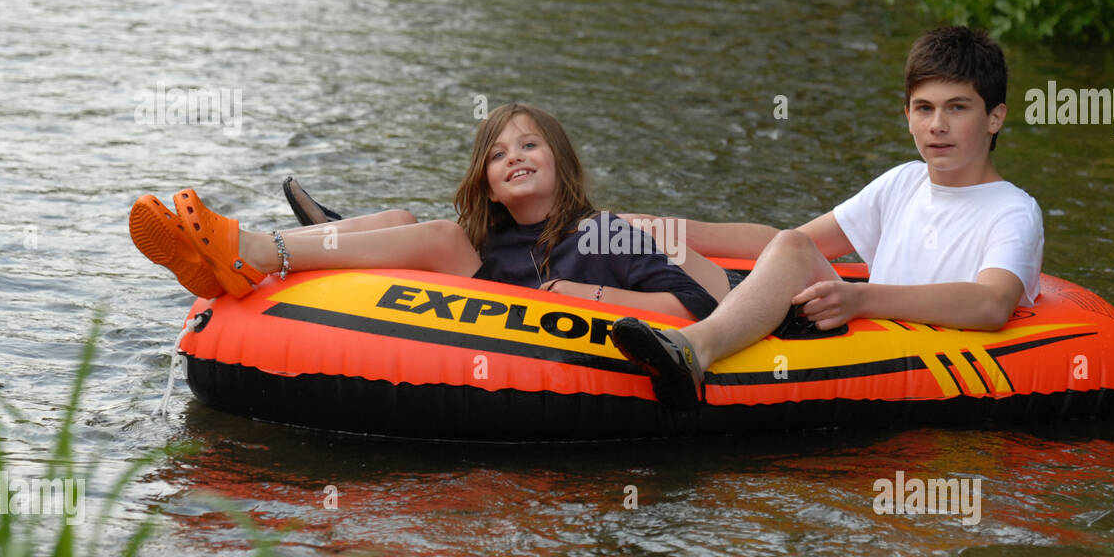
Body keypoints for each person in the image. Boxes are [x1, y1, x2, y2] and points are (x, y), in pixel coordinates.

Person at [610, 26, 1045, 407]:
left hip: (917, 364)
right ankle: (674, 331)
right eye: (924, 108)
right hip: (867, 339)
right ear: (907, 115)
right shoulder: (904, 181)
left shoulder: (1012, 210)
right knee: (784, 248)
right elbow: (788, 243)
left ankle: (693, 351)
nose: (937, 125)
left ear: (994, 117)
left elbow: (992, 304)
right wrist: (662, 227)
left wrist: (861, 298)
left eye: (957, 108)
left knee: (795, 252)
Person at [129, 103, 731, 319]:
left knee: (437, 237)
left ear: (562, 164)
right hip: (485, 294)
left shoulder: (604, 234)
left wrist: (593, 297)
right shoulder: (488, 231)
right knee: (397, 220)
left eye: (528, 145)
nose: (513, 158)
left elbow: (697, 301)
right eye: (496, 155)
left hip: (535, 314)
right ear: (489, 185)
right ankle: (238, 256)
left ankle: (259, 250)